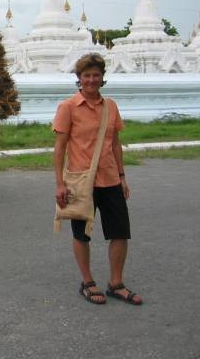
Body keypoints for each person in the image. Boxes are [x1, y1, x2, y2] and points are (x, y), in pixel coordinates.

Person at [53, 53, 143, 306]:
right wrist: (60, 184)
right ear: (79, 79)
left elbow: (115, 144)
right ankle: (88, 281)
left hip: (111, 179)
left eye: (96, 75)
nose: (91, 80)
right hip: (82, 181)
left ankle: (116, 283)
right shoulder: (68, 107)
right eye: (86, 76)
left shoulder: (111, 107)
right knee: (81, 234)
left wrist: (123, 177)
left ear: (102, 78)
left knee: (120, 233)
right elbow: (59, 149)